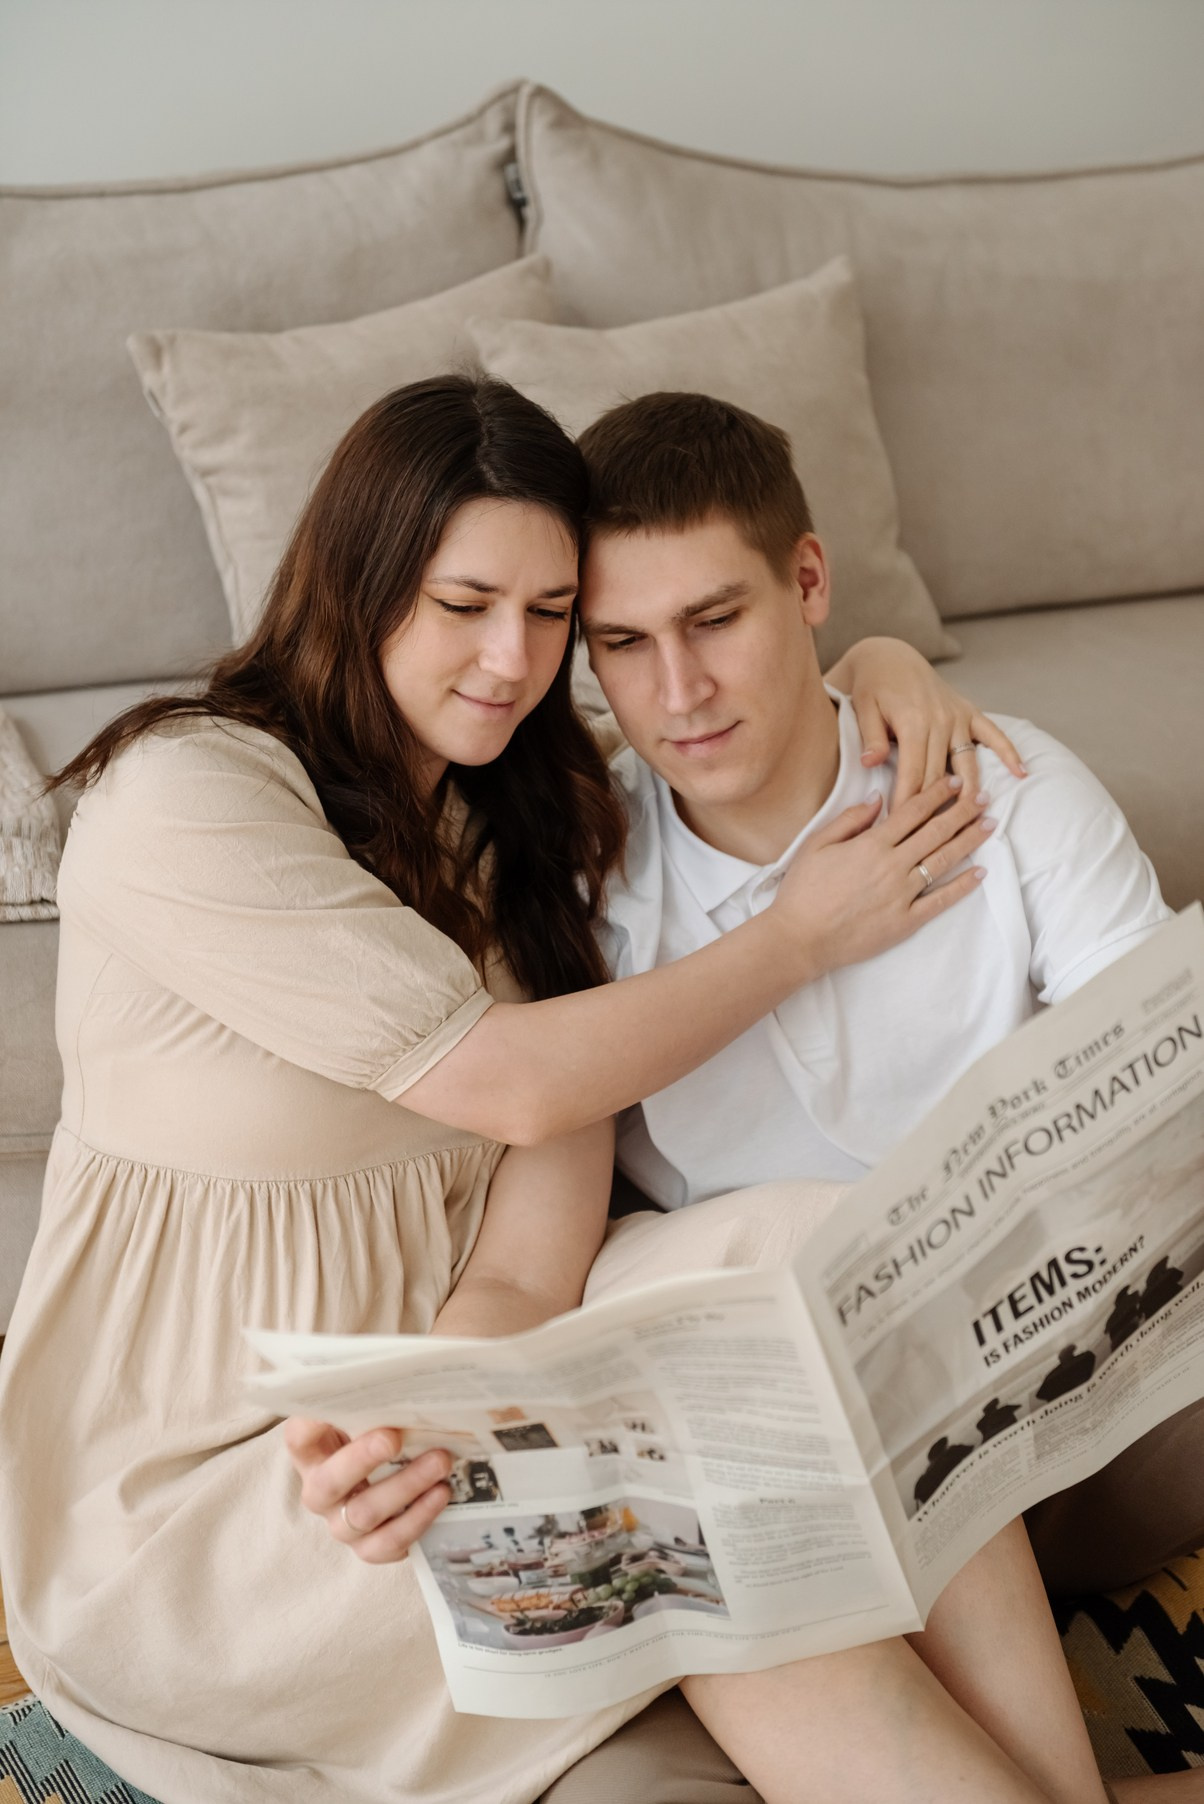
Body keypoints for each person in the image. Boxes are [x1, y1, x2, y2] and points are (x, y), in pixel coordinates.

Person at [0, 373, 1017, 1804]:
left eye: (551, 616)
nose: (511, 660)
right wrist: (800, 936)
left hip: (449, 1386)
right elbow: (512, 1082)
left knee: (809, 1252)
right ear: (358, 580)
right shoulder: (188, 801)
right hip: (232, 1490)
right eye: (465, 603)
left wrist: (882, 659)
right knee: (703, 1495)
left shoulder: (520, 808)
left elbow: (541, 1237)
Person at [278, 390, 1190, 1804]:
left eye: (717, 621)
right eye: (624, 647)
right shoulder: (580, 888)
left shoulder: (1004, 795)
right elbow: (532, 1263)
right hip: (785, 1439)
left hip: (1045, 1390)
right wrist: (419, 1411)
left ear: (810, 583)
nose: (679, 695)